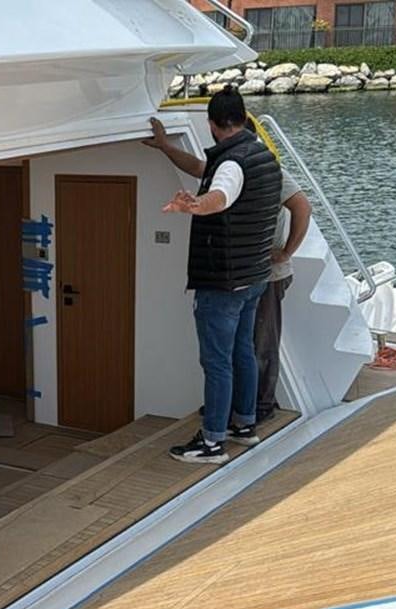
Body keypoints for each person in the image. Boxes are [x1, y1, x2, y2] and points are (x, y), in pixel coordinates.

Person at [144, 85, 282, 464]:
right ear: (243, 117)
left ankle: (212, 442)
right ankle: (244, 425)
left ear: (213, 124)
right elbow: (207, 172)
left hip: (223, 281)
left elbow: (220, 194)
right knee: (242, 352)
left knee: (217, 362)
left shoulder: (232, 165)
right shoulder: (260, 156)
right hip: (254, 276)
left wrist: (195, 206)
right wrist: (166, 148)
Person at [256, 169, 312, 423]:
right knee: (248, 342)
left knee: (263, 341)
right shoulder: (227, 163)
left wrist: (287, 251)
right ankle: (245, 402)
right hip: (248, 273)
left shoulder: (273, 172)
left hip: (270, 275)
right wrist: (168, 148)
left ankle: (264, 405)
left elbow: (302, 207)